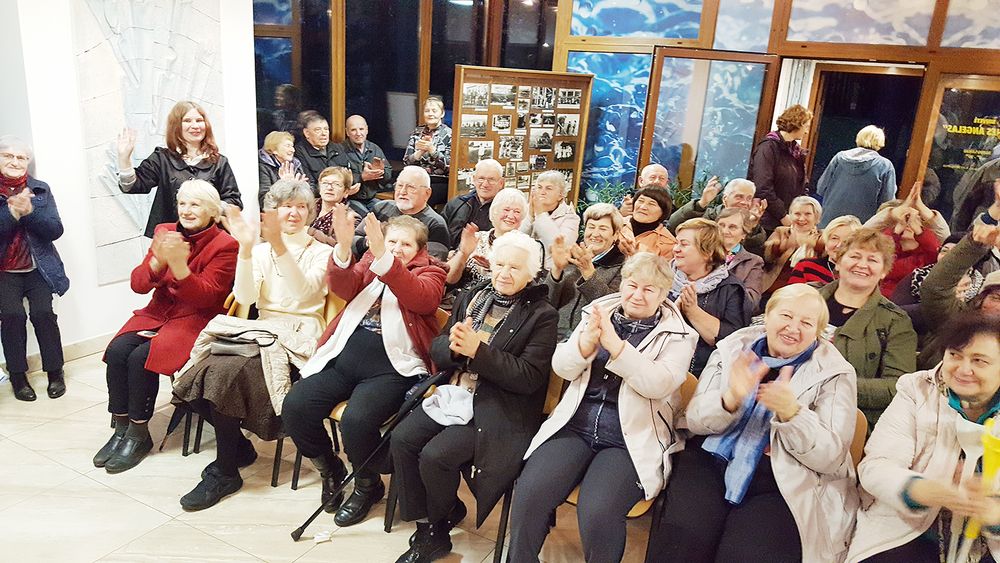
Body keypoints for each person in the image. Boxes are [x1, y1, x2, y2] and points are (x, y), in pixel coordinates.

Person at [646, 284, 859, 563]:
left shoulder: (835, 372)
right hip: (710, 457)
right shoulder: (733, 348)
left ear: (818, 332)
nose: (793, 328)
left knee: (744, 555)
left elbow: (831, 457)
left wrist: (793, 414)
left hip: (786, 478)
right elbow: (695, 420)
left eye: (807, 323)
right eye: (786, 316)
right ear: (767, 317)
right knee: (683, 540)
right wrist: (730, 399)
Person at [507, 253, 698, 562]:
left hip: (630, 439)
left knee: (598, 510)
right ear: (622, 284)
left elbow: (658, 384)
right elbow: (561, 367)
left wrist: (617, 347)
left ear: (664, 294)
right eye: (632, 285)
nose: (637, 295)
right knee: (530, 493)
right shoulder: (597, 313)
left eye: (649, 289)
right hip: (576, 425)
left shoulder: (680, 335)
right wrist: (583, 348)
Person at [389, 230, 558, 563]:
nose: (504, 273)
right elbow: (439, 349)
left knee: (436, 456)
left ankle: (435, 530)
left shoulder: (542, 315)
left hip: (500, 408)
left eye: (515, 268)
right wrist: (453, 347)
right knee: (402, 438)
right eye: (499, 264)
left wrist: (477, 351)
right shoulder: (473, 296)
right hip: (456, 393)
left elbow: (529, 378)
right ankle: (431, 521)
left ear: (531, 274)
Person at [172, 179, 333, 510]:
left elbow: (304, 294)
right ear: (272, 211)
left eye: (301, 206)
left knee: (226, 375)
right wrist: (246, 250)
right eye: (285, 206)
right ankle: (239, 449)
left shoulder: (323, 253)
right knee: (197, 373)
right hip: (261, 330)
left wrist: (278, 247)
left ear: (310, 212)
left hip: (301, 334)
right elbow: (245, 298)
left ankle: (225, 471)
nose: (293, 213)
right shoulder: (259, 251)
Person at [281, 212, 446, 527]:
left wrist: (385, 257)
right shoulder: (371, 258)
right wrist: (344, 247)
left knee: (356, 422)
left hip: (392, 369)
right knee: (296, 406)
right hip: (345, 358)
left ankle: (367, 484)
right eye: (391, 241)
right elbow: (344, 288)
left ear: (420, 250)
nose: (396, 249)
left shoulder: (431, 271)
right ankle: (330, 468)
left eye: (405, 244)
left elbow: (421, 299)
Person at [96, 180, 238, 474]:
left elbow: (208, 297)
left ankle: (138, 433)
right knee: (118, 350)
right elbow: (138, 285)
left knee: (141, 358)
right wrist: (157, 263)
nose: (186, 210)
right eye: (182, 203)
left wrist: (180, 269)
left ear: (213, 211)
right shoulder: (165, 231)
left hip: (197, 319)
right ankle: (121, 428)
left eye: (195, 204)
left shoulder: (225, 245)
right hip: (157, 313)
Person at [847, 315, 1000, 563]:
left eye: (979, 361)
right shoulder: (917, 390)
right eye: (955, 355)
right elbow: (876, 466)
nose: (963, 369)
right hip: (906, 529)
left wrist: (994, 513)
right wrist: (919, 489)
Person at [816, 228, 917, 425]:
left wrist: (833, 385)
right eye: (855, 256)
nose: (862, 265)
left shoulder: (895, 321)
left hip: (848, 421)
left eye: (872, 260)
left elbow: (897, 386)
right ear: (838, 262)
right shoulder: (806, 297)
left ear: (884, 271)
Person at [0, 136, 69, 401]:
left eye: (21, 157)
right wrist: (12, 214)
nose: (15, 162)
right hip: (5, 271)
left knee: (43, 315)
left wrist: (30, 212)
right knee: (12, 317)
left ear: (28, 162)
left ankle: (55, 372)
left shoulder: (40, 189)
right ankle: (18, 377)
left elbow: (55, 229)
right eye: (8, 156)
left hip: (38, 267)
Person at [117, 100, 243, 238]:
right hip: (171, 238)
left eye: (199, 120)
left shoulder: (219, 162)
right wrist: (124, 159)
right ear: (176, 126)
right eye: (187, 121)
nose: (195, 126)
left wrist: (209, 205)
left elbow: (234, 200)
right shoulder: (162, 158)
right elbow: (133, 186)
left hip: (209, 239)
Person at [669, 218, 752, 375]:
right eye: (676, 243)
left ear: (707, 253)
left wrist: (692, 311)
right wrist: (673, 312)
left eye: (684, 244)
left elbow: (731, 340)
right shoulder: (663, 278)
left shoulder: (731, 289)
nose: (676, 249)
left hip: (705, 374)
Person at [919, 220, 1000, 369]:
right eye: (995, 298)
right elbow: (936, 288)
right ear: (981, 299)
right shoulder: (957, 319)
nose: (998, 308)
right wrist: (974, 245)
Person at [546, 203, 627, 338]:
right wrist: (557, 270)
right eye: (591, 227)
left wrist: (588, 272)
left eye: (603, 228)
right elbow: (546, 302)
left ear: (616, 234)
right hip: (551, 335)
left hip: (589, 340)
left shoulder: (623, 266)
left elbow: (611, 308)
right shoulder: (570, 255)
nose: (595, 234)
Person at [445, 188, 532, 294]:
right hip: (464, 298)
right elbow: (448, 279)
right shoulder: (476, 239)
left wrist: (494, 268)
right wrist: (462, 254)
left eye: (517, 212)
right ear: (494, 212)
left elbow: (528, 286)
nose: (510, 216)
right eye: (506, 210)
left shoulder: (526, 247)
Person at [356, 166, 450, 260]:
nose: (402, 192)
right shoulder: (381, 208)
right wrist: (368, 242)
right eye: (399, 185)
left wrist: (382, 247)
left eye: (411, 187)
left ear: (427, 193)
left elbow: (433, 262)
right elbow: (353, 239)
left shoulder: (436, 224)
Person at [816, 125, 897, 226]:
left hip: (830, 221)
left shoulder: (839, 158)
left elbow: (821, 187)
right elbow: (887, 202)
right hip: (862, 225)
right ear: (881, 142)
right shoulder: (885, 165)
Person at [748, 104, 812, 231]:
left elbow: (801, 186)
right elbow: (762, 186)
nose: (806, 132)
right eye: (806, 126)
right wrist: (782, 215)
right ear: (797, 124)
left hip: (786, 219)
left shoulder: (795, 152)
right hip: (766, 222)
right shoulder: (768, 147)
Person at [666, 178, 768, 255]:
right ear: (725, 199)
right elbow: (672, 227)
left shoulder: (752, 223)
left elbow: (754, 252)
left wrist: (752, 226)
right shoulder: (708, 215)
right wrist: (702, 203)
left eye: (749, 198)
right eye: (739, 197)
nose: (744, 202)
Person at [762, 195, 824, 294]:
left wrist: (811, 243)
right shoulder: (781, 231)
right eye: (797, 214)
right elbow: (768, 256)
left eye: (808, 214)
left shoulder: (822, 236)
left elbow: (826, 253)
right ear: (790, 215)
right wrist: (781, 246)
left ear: (817, 218)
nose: (801, 218)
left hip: (807, 288)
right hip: (777, 286)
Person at [879, 200, 940, 298]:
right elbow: (879, 251)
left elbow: (936, 251)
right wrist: (896, 231)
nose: (908, 224)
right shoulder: (889, 249)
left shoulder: (927, 256)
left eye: (914, 220)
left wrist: (919, 231)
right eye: (906, 219)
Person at [521, 171, 581, 269]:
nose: (542, 192)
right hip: (524, 268)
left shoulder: (571, 218)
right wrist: (530, 216)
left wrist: (540, 215)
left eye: (548, 188)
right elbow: (517, 239)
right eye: (539, 187)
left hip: (550, 272)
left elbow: (560, 246)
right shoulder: (526, 210)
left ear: (561, 195)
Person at [442, 159, 504, 249]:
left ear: (501, 183)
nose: (485, 184)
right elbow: (441, 233)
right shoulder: (457, 203)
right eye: (481, 178)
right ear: (474, 179)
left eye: (491, 180)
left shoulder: (505, 211)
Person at [403, 96, 452, 207]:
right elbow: (406, 162)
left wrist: (432, 151)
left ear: (442, 113)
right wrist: (419, 152)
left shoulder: (450, 134)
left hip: (439, 181)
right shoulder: (417, 132)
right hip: (417, 179)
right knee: (401, 190)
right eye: (427, 111)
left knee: (420, 195)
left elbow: (450, 167)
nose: (430, 114)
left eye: (434, 111)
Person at [788, 215, 863, 287]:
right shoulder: (806, 266)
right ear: (826, 241)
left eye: (846, 241)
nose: (839, 245)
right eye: (834, 238)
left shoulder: (862, 272)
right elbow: (790, 295)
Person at [341, 114, 393, 214]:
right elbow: (338, 179)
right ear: (347, 132)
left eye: (361, 129)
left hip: (372, 198)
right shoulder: (340, 150)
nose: (358, 133)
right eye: (353, 130)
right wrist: (361, 177)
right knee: (367, 217)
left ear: (367, 130)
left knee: (389, 213)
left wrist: (381, 171)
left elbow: (388, 176)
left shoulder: (374, 148)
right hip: (351, 199)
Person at [716, 208, 765, 309]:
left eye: (732, 227)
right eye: (721, 225)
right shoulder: (702, 253)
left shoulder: (754, 261)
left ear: (743, 234)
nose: (725, 231)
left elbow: (752, 300)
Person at [619, 187, 676, 259]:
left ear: (663, 212)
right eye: (641, 201)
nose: (643, 207)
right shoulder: (615, 224)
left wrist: (635, 256)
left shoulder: (668, 243)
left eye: (652, 204)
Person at [308, 166, 359, 246]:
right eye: (325, 183)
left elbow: (338, 245)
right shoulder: (307, 205)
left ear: (346, 192)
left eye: (336, 184)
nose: (329, 188)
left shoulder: (350, 217)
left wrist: (307, 231)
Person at [294, 112, 348, 186]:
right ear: (307, 133)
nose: (324, 133)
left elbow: (348, 174)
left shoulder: (338, 148)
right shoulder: (300, 152)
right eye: (318, 130)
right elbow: (309, 184)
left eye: (326, 129)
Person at [257, 131, 305, 208]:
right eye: (288, 146)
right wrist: (283, 184)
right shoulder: (264, 167)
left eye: (292, 146)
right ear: (274, 150)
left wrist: (302, 187)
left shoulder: (296, 164)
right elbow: (264, 201)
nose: (293, 150)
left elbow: (308, 192)